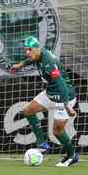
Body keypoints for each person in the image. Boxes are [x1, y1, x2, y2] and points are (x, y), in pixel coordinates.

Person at [10, 36, 79, 167]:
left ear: (37, 48)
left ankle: (72, 156)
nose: (27, 53)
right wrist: (20, 65)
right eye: (26, 50)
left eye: (30, 50)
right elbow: (31, 59)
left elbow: (62, 84)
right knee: (27, 110)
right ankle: (42, 144)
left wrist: (67, 106)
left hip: (64, 97)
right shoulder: (39, 54)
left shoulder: (49, 63)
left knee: (57, 132)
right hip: (50, 93)